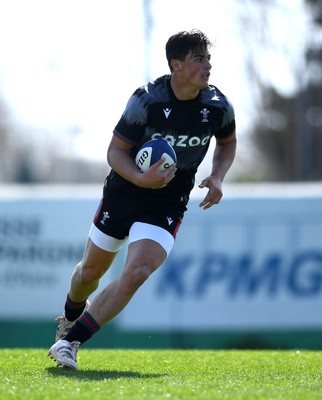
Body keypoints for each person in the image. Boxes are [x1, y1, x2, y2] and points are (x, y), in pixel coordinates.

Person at [48, 29, 237, 370]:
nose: (208, 65)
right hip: (124, 193)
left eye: (209, 58)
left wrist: (218, 175)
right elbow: (115, 152)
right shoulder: (146, 100)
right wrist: (140, 178)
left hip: (167, 202)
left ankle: (70, 341)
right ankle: (69, 315)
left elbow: (228, 141)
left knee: (138, 270)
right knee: (90, 273)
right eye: (199, 59)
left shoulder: (218, 105)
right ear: (175, 65)